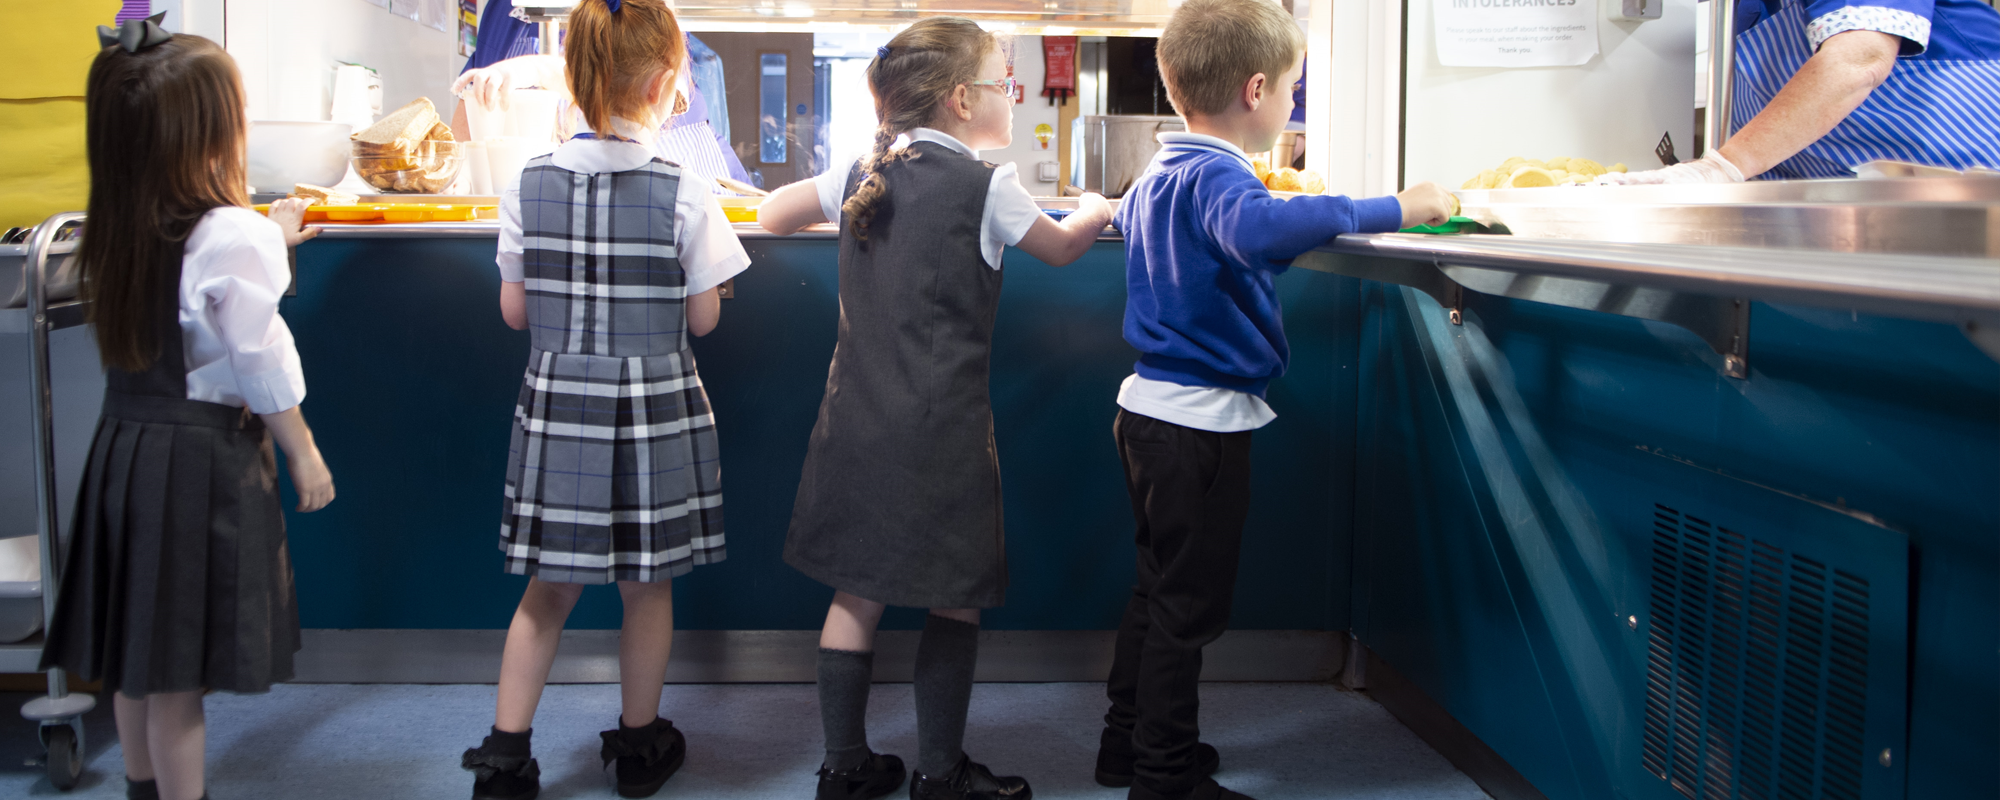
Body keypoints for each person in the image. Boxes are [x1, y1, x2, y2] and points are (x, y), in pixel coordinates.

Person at [1098, 1, 1453, 798]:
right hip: (1199, 428)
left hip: (1149, 414)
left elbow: (1200, 250)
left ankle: (1126, 744)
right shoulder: (1220, 175)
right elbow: (1259, 230)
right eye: (1294, 87)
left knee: (1156, 589)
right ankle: (1164, 777)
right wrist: (1402, 206)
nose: (1294, 101)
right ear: (1255, 90)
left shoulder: (1160, 171)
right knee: (1188, 608)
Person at [757, 17, 1114, 800]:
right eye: (1001, 83)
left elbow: (769, 216)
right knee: (954, 597)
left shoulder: (861, 169)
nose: (1010, 94)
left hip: (852, 422)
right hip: (942, 434)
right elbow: (1061, 247)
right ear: (961, 100)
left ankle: (843, 766)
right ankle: (940, 772)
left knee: (855, 594)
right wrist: (1094, 208)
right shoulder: (989, 186)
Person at [456, 1, 749, 798]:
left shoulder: (527, 180)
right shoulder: (685, 188)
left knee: (545, 591)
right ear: (665, 83)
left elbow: (516, 311)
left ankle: (507, 757)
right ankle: (640, 744)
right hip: (652, 404)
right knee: (646, 588)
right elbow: (705, 318)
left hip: (558, 402)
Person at [40, 18, 336, 800]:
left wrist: (270, 240)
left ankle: (142, 788)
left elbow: (200, 303)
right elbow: (257, 354)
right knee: (178, 680)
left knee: (139, 663)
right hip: (196, 465)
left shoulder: (114, 229)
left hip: (125, 452)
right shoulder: (235, 236)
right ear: (207, 138)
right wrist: (302, 451)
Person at [1610, 0, 1999, 182]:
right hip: (1858, 212)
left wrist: (1723, 167)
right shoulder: (1738, 9)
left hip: (1966, 198)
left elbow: (1859, 59)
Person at [453, 36, 753, 188]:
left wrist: (537, 69)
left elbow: (637, 87)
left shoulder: (684, 194)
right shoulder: (500, 9)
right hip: (560, 175)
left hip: (672, 155)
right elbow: (470, 100)